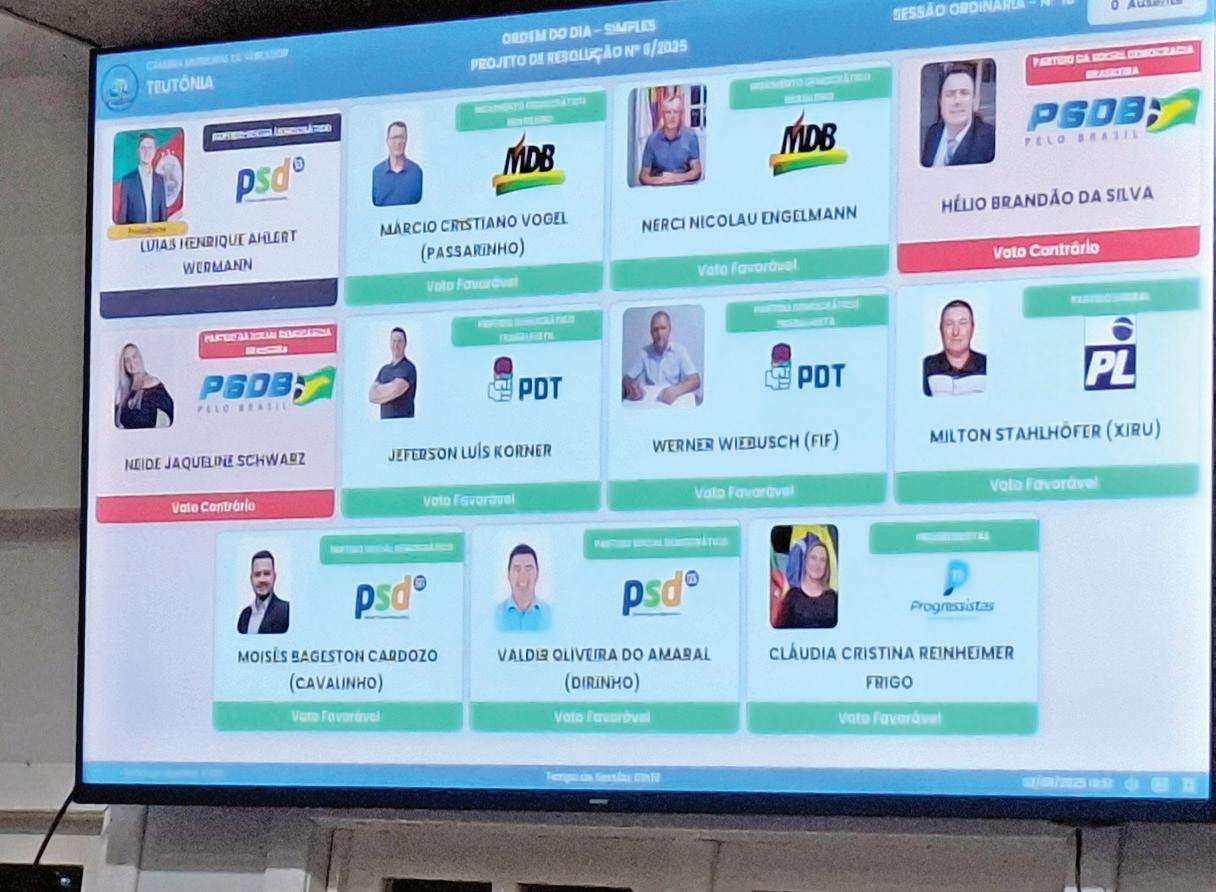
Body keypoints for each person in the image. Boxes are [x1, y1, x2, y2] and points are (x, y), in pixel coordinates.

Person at [920, 64, 996, 167]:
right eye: (949, 94)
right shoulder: (933, 133)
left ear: (975, 101)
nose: (957, 101)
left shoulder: (990, 139)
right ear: (940, 101)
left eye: (964, 93)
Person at [623, 311, 701, 405]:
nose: (659, 334)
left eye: (663, 328)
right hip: (652, 402)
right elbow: (628, 378)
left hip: (673, 402)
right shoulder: (644, 352)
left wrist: (675, 390)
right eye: (655, 329)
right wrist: (631, 387)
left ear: (669, 330)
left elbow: (695, 380)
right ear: (651, 332)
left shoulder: (680, 351)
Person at [923, 300, 987, 396]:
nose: (956, 332)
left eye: (963, 323)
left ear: (972, 328)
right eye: (949, 323)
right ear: (941, 329)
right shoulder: (926, 367)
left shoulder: (987, 365)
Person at [774, 533, 838, 629]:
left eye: (822, 560)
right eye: (813, 558)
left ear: (827, 566)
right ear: (805, 561)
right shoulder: (792, 597)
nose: (817, 564)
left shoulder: (834, 599)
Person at [638, 94, 702, 185]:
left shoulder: (690, 136)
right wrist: (662, 180)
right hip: (660, 188)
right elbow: (643, 176)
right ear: (662, 115)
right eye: (668, 112)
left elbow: (697, 171)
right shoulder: (652, 140)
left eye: (676, 112)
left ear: (681, 114)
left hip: (684, 187)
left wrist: (674, 178)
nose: (672, 116)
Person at [114, 343, 174, 429]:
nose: (132, 363)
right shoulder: (124, 392)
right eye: (127, 360)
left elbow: (170, 412)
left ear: (140, 358)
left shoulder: (153, 383)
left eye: (134, 357)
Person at [116, 132, 168, 224]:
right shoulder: (128, 181)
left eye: (150, 148)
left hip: (156, 232)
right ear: (138, 151)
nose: (146, 152)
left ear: (155, 151)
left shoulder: (160, 180)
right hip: (134, 232)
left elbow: (163, 216)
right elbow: (123, 216)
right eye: (143, 148)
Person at [497, 544, 550, 632]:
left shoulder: (551, 616)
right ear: (508, 575)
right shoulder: (494, 616)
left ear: (537, 574)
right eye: (517, 569)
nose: (523, 576)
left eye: (529, 569)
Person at [237, 550, 290, 635]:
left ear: (274, 577)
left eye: (266, 573)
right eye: (257, 574)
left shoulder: (286, 611)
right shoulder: (244, 615)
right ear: (251, 579)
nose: (262, 580)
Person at [372, 121, 424, 206]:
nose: (398, 142)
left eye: (401, 138)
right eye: (394, 138)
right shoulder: (376, 173)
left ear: (406, 140)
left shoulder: (417, 172)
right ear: (387, 141)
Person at [368, 327, 417, 418]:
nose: (396, 345)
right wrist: (389, 389)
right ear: (390, 343)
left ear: (405, 344)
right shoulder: (384, 370)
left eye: (399, 341)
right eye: (394, 341)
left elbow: (396, 389)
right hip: (385, 424)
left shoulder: (408, 367)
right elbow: (372, 396)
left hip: (404, 423)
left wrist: (380, 391)